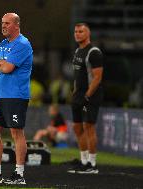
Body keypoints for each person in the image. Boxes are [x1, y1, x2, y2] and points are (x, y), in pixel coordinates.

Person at [0, 13, 33, 185]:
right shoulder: (3, 44)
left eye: (7, 23)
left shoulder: (23, 44)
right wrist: (0, 62)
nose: (3, 26)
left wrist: (1, 63)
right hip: (1, 96)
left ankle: (19, 174)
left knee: (16, 133)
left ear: (16, 25)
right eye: (2, 23)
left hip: (16, 96)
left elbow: (8, 68)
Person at [68, 23, 103, 174]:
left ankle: (92, 164)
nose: (77, 34)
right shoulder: (77, 51)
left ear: (88, 34)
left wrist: (87, 96)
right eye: (76, 31)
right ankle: (83, 161)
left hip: (90, 96)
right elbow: (77, 77)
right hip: (78, 95)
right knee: (77, 127)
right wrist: (75, 93)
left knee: (89, 127)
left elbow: (97, 78)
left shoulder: (94, 52)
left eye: (81, 31)